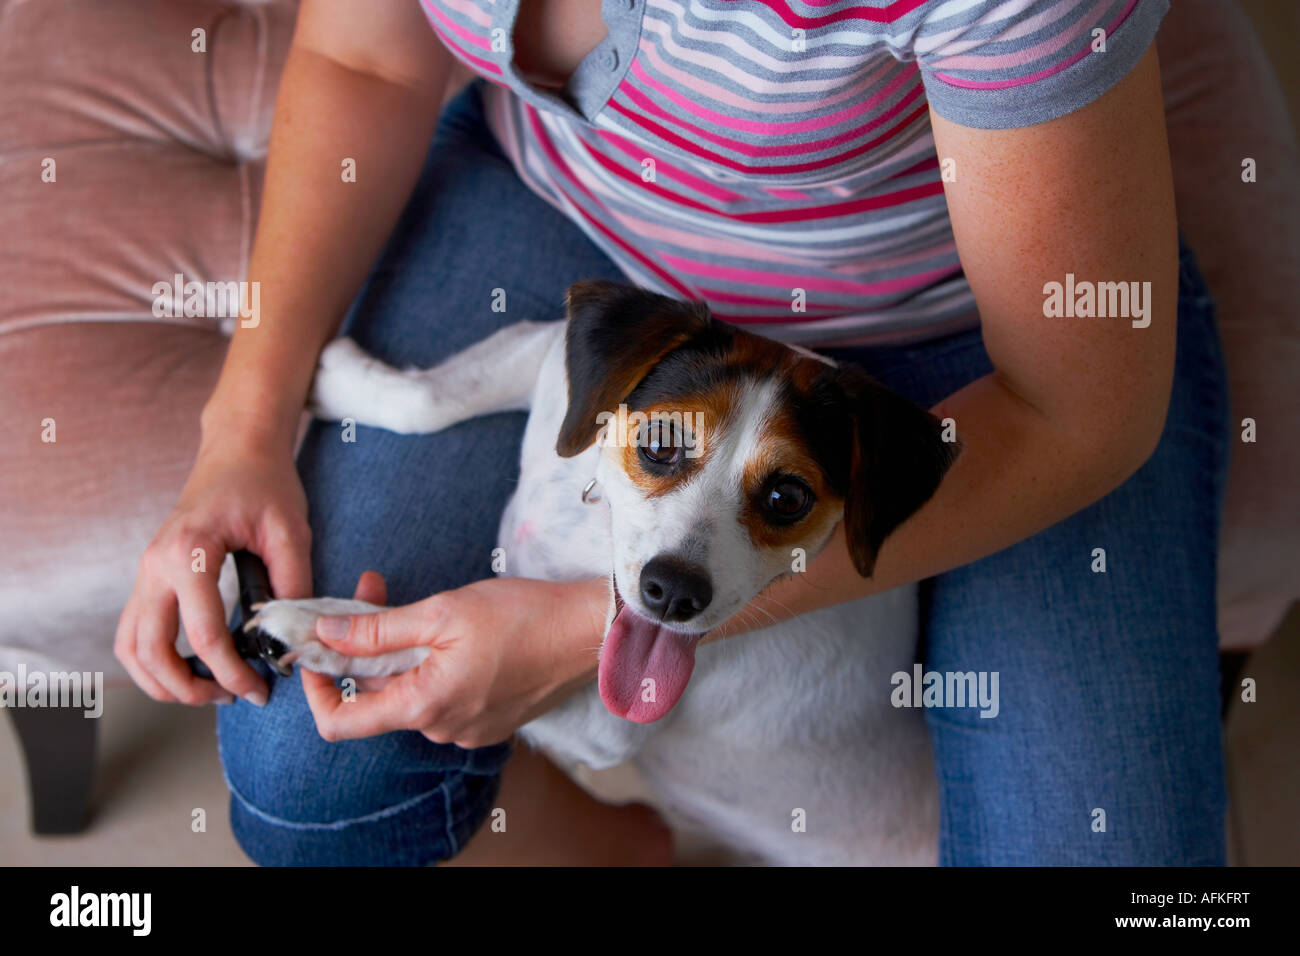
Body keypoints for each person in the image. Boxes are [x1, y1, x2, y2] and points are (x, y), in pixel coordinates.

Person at [115, 0, 1228, 865]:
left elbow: (1074, 407)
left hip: (971, 334)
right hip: (567, 208)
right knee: (304, 763)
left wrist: (584, 624)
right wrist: (241, 430)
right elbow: (367, 59)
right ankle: (606, 851)